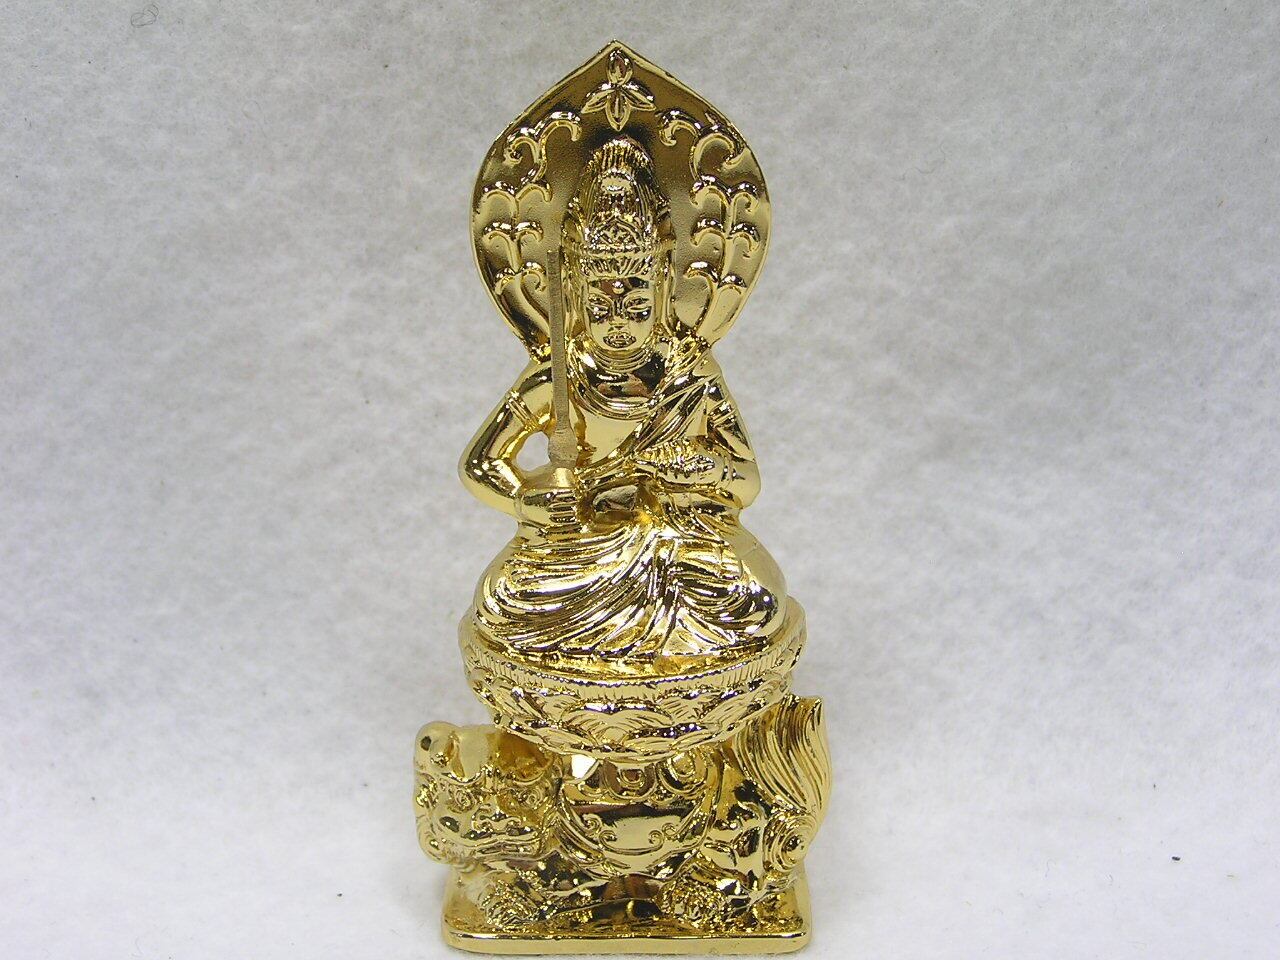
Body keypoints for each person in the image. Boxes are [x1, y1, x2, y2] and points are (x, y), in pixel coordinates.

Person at [459, 137, 791, 662]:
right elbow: (480, 464)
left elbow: (747, 482)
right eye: (601, 305)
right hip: (580, 545)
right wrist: (526, 500)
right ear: (574, 292)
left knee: (754, 599)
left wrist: (702, 470)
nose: (617, 323)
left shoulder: (690, 372)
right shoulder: (558, 373)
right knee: (505, 598)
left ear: (663, 290)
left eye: (635, 306)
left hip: (680, 541)